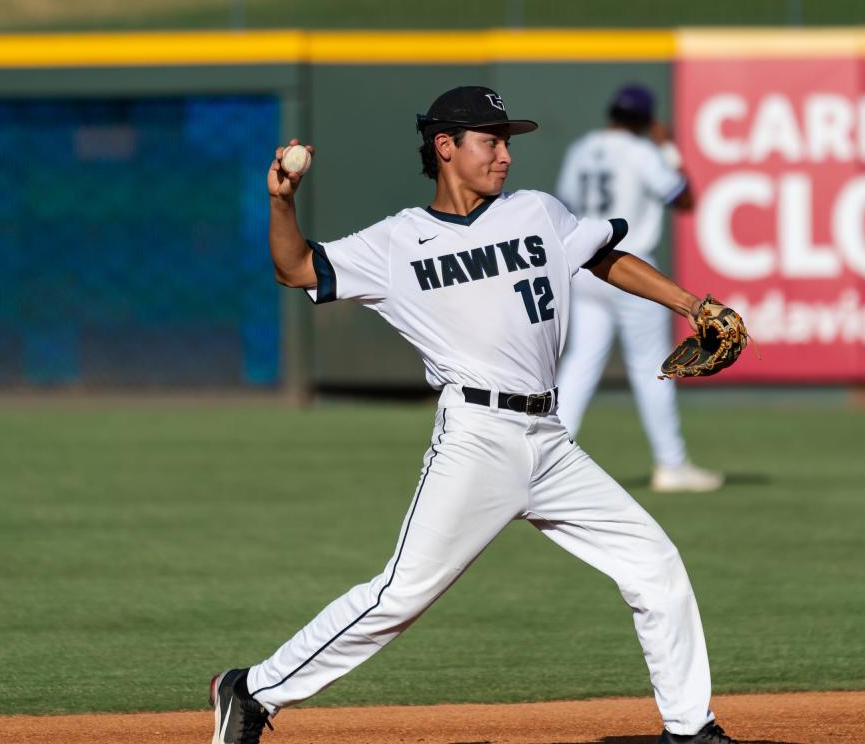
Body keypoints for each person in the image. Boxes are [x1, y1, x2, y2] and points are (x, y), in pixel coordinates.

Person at [210, 85, 740, 744]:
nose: (505, 155)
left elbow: (603, 255)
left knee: (654, 562)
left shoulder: (537, 212)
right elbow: (294, 268)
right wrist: (281, 199)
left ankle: (690, 729)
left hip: (550, 442)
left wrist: (691, 306)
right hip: (477, 439)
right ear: (446, 148)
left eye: (507, 141)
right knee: (400, 595)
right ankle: (253, 689)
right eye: (491, 141)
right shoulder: (399, 241)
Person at [554, 84, 723, 493]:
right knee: (651, 368)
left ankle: (549, 455)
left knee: (580, 362)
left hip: (586, 265)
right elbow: (684, 200)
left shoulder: (581, 149)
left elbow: (560, 207)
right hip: (633, 271)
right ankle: (671, 464)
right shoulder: (644, 152)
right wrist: (668, 150)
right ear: (647, 121)